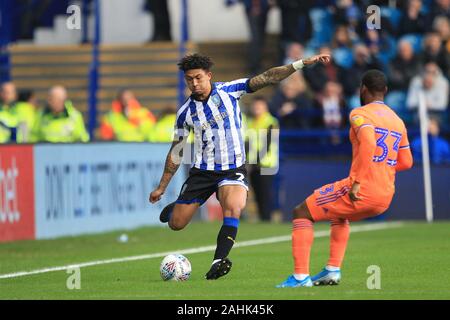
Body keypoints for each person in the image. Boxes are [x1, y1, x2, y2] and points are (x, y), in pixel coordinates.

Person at [149, 52, 330, 280]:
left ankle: (218, 260)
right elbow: (177, 151)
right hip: (202, 172)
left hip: (232, 168)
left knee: (234, 206)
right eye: (189, 80)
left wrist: (301, 64)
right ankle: (179, 205)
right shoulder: (185, 113)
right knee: (176, 224)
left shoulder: (229, 90)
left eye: (198, 78)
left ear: (209, 76)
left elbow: (268, 77)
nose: (194, 84)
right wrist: (162, 187)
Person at [276, 70, 413, 288]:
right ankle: (332, 270)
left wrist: (358, 180)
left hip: (363, 188)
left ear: (363, 89)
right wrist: (380, 167)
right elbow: (406, 162)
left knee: (301, 212)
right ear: (385, 91)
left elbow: (369, 143)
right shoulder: (397, 121)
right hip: (385, 194)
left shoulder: (360, 113)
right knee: (339, 215)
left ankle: (301, 277)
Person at [246, 96, 279, 221]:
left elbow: (268, 144)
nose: (256, 108)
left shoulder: (271, 122)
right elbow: (247, 142)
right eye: (255, 106)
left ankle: (267, 219)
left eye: (259, 106)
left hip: (267, 165)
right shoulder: (250, 122)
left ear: (265, 107)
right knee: (258, 193)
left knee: (265, 194)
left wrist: (255, 161)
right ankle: (262, 219)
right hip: (254, 164)